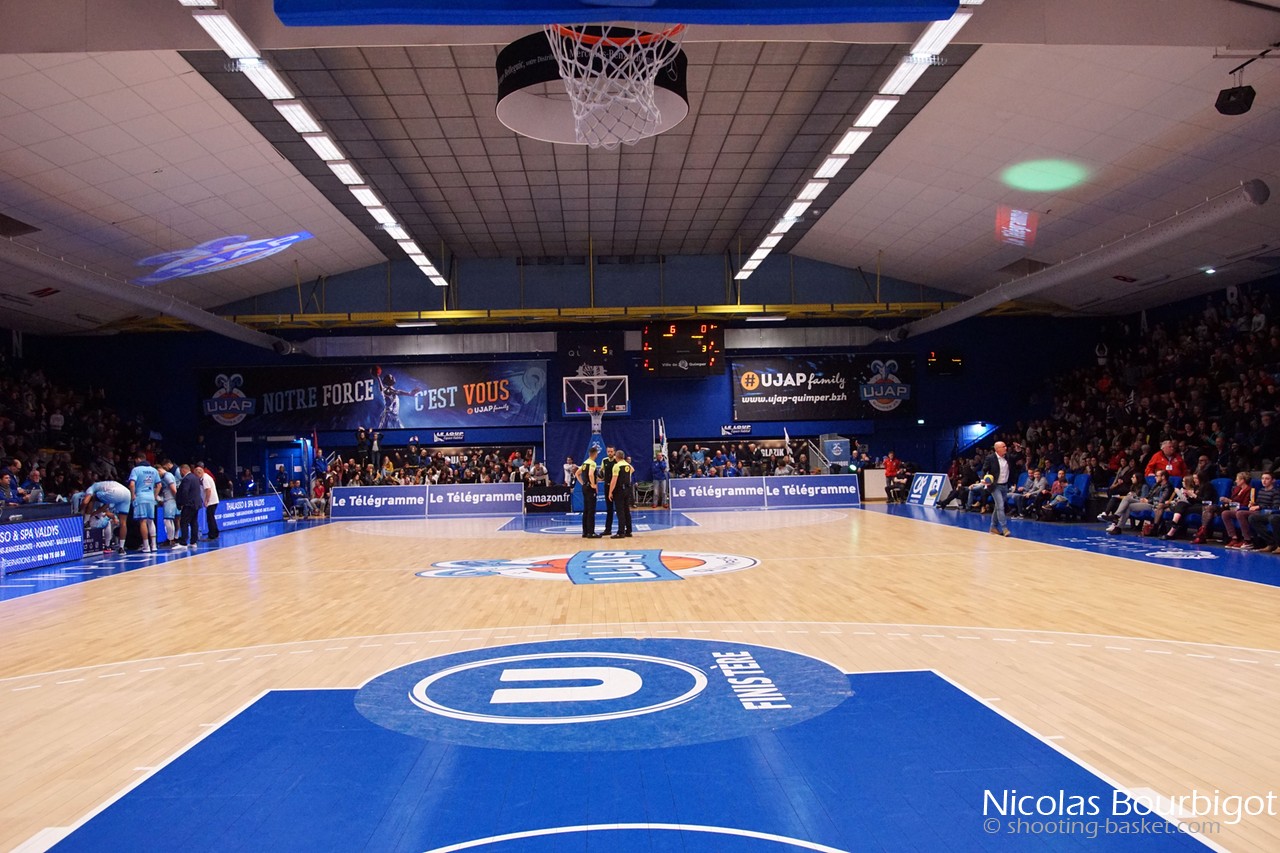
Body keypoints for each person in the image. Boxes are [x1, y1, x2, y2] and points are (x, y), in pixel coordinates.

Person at [82, 479, 131, 552]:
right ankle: (121, 548)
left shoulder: (92, 487)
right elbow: (106, 506)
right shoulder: (104, 486)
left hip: (115, 492)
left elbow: (85, 502)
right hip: (127, 493)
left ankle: (86, 522)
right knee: (123, 523)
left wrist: (80, 510)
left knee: (92, 498)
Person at [128, 453, 162, 553]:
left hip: (140, 497)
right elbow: (159, 485)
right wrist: (155, 496)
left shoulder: (136, 470)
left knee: (142, 521)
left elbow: (132, 484)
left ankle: (146, 546)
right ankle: (154, 545)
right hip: (151, 497)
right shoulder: (154, 470)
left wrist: (133, 495)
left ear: (138, 459)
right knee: (151, 521)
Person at [980, 441, 1014, 536]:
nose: (1006, 448)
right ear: (997, 449)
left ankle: (993, 527)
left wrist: (1019, 451)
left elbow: (1016, 458)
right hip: (995, 486)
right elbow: (984, 470)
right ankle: (1004, 528)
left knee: (998, 507)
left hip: (1005, 485)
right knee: (1000, 506)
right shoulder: (990, 458)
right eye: (1003, 446)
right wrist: (983, 479)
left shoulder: (1007, 457)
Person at [175, 463, 204, 548]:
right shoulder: (195, 477)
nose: (180, 473)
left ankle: (183, 542)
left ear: (183, 470)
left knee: (184, 522)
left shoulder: (187, 479)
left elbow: (185, 491)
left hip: (189, 504)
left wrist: (182, 503)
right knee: (194, 522)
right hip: (196, 503)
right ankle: (193, 542)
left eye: (180, 471)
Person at [608, 448, 634, 539]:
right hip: (627, 489)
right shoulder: (627, 465)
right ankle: (629, 531)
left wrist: (610, 492)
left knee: (620, 511)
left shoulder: (617, 466)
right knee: (626, 510)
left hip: (619, 490)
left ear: (616, 457)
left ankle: (621, 532)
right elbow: (632, 470)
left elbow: (614, 480)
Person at [577, 446, 601, 538]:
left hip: (584, 487)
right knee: (591, 510)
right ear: (595, 454)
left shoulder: (585, 463)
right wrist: (593, 484)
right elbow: (591, 474)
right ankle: (591, 532)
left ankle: (585, 532)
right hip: (590, 489)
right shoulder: (592, 463)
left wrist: (583, 483)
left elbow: (577, 473)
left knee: (586, 510)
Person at [159, 460, 180, 547]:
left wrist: (177, 499)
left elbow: (173, 489)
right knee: (173, 520)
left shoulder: (167, 476)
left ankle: (171, 539)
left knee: (167, 520)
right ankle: (173, 538)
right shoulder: (168, 475)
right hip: (170, 499)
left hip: (170, 500)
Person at [196, 464, 219, 541]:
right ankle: (215, 533)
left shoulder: (205, 479)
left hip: (211, 501)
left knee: (210, 519)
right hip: (213, 501)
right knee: (211, 518)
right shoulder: (205, 477)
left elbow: (208, 490)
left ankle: (212, 535)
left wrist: (206, 500)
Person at [600, 445, 616, 536]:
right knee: (609, 509)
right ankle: (608, 529)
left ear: (614, 452)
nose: (610, 453)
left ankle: (623, 529)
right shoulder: (604, 460)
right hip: (607, 486)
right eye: (608, 451)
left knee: (620, 509)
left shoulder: (617, 460)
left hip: (616, 487)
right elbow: (601, 472)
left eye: (611, 451)